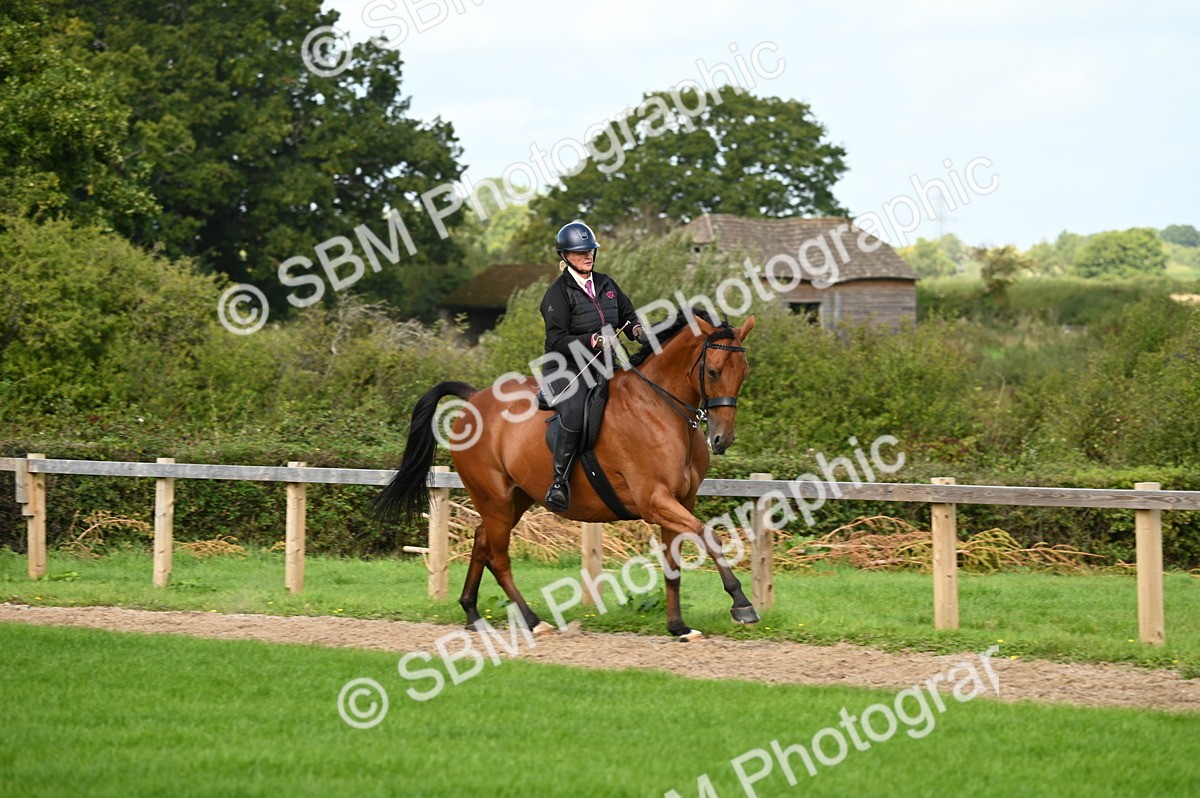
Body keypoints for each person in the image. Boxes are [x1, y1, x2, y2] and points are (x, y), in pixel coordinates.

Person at [539, 221, 649, 511]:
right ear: (565, 256)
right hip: (567, 367)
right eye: (579, 253)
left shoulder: (606, 283)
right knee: (575, 410)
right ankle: (559, 483)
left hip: (607, 364)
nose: (587, 256)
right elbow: (556, 340)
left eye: (590, 251)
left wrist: (637, 330)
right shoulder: (557, 294)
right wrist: (594, 340)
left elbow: (628, 314)